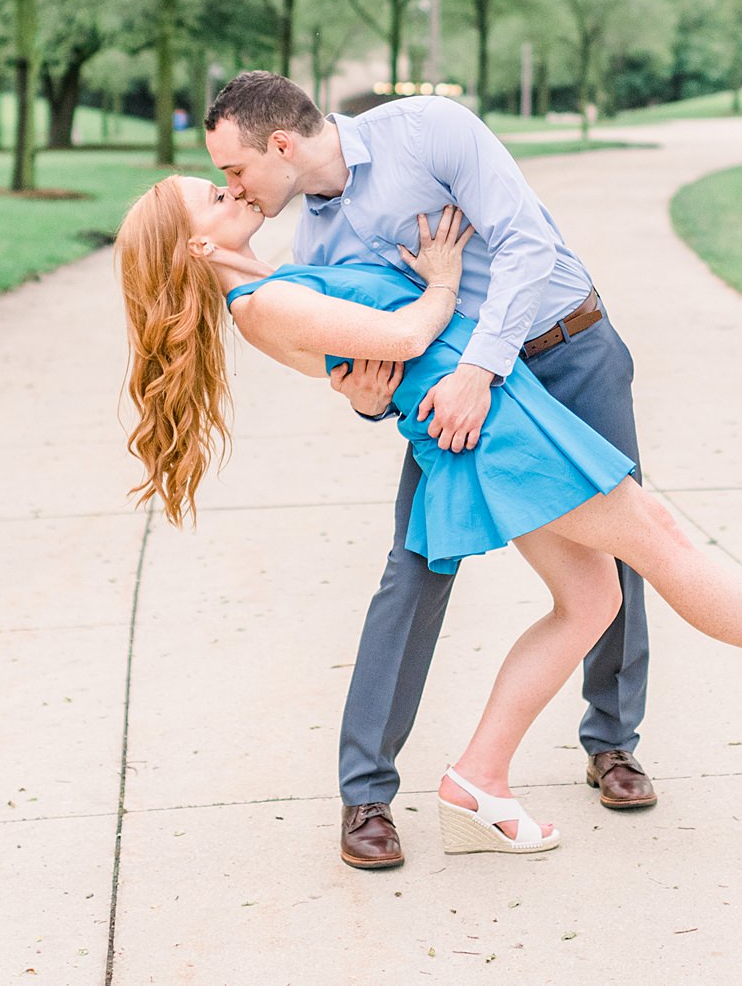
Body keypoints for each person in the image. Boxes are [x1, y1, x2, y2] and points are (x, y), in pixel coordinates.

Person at [115, 176, 742, 861]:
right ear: (195, 248)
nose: (233, 190)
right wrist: (441, 276)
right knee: (663, 542)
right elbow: (402, 336)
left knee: (594, 601)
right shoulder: (263, 304)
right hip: (497, 429)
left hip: (496, 418)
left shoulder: (281, 282)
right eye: (214, 196)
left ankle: (479, 779)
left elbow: (373, 368)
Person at [209, 71, 656, 868]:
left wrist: (480, 371)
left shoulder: (428, 130)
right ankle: (366, 797)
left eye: (235, 169)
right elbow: (368, 361)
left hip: (565, 349)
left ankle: (612, 743)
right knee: (415, 567)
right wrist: (365, 398)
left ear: (280, 146)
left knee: (626, 551)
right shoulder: (313, 247)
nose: (232, 188)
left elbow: (525, 242)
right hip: (459, 399)